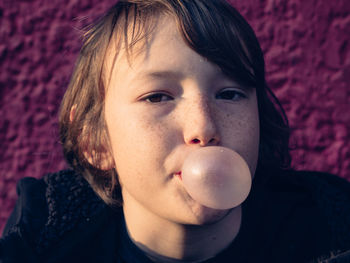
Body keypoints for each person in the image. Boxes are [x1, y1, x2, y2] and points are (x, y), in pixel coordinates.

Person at [1, 0, 350, 262]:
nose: (203, 128)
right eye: (156, 97)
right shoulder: (43, 241)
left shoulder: (331, 229)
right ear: (95, 139)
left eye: (229, 94)